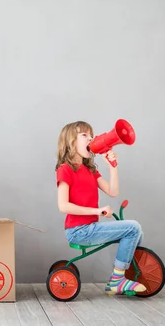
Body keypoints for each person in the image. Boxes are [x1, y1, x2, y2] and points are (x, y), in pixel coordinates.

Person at [56, 120, 146, 295]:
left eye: (91, 135)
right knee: (133, 228)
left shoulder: (90, 171)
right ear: (70, 141)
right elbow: (63, 206)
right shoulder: (65, 169)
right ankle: (117, 280)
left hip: (89, 228)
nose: (90, 139)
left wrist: (113, 168)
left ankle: (123, 274)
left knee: (138, 233)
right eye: (84, 135)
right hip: (79, 230)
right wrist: (97, 211)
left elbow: (113, 191)